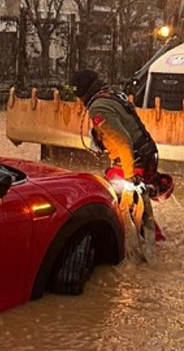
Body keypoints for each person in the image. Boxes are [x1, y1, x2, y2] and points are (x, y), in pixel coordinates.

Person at [70, 69, 168, 261]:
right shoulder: (111, 94)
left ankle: (136, 253)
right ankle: (157, 243)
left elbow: (123, 142)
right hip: (146, 154)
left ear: (81, 94)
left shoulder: (98, 108)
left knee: (119, 201)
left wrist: (130, 179)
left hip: (133, 160)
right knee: (140, 209)